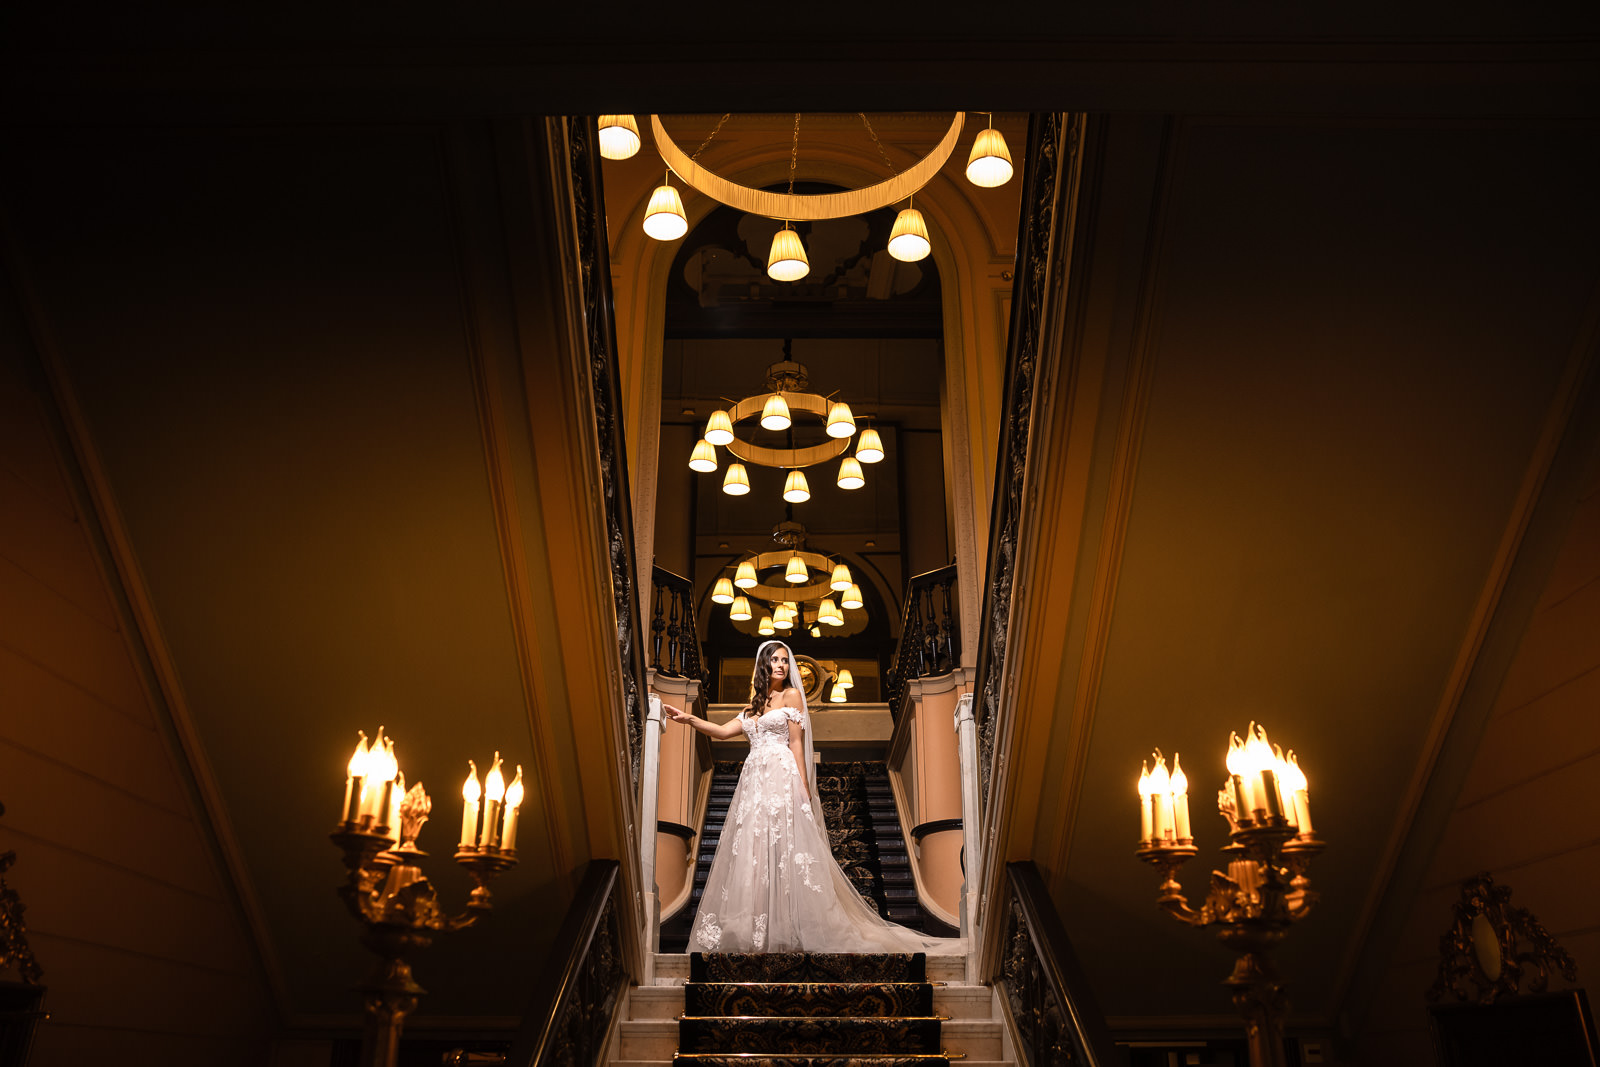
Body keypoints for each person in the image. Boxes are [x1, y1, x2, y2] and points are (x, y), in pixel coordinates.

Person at [663, 640, 963, 954]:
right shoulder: (752, 705)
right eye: (774, 660)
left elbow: (796, 743)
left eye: (784, 661)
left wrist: (803, 788)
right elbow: (724, 731)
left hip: (782, 775)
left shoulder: (792, 695)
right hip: (753, 781)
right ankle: (758, 929)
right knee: (755, 847)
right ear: (763, 665)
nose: (780, 666)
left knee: (787, 847)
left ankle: (792, 925)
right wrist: (689, 719)